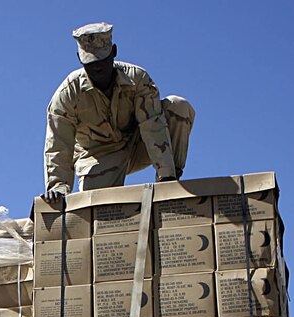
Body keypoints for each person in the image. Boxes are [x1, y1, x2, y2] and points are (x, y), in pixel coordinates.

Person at [42, 22, 195, 204]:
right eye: (91, 63)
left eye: (102, 61)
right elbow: (58, 143)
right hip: (98, 155)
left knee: (178, 106)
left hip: (138, 143)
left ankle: (170, 185)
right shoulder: (68, 94)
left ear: (114, 52)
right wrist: (57, 185)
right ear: (79, 59)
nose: (97, 68)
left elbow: (152, 124)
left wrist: (167, 175)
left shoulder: (137, 79)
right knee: (97, 208)